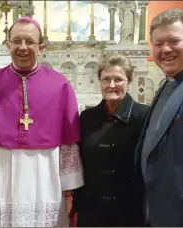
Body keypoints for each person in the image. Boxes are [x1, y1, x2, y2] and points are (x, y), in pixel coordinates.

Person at [0, 17, 84, 227]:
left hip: (46, 172)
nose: (23, 47)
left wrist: (70, 181)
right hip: (1, 173)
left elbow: (68, 140)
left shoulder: (60, 85)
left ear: (41, 47)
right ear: (8, 45)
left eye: (29, 41)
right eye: (17, 41)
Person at [135, 8, 183, 226]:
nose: (165, 49)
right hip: (157, 211)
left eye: (174, 41)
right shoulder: (167, 84)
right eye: (158, 43)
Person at [70, 54, 149, 227]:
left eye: (118, 79)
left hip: (132, 213)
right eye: (106, 79)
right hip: (92, 212)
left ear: (129, 82)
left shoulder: (145, 117)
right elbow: (80, 164)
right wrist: (76, 206)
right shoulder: (87, 118)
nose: (111, 85)